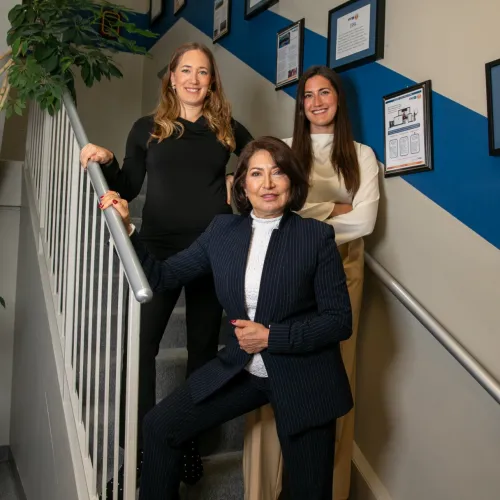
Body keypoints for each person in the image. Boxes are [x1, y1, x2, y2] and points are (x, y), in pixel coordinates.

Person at [98, 136, 353, 500]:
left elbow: (338, 320)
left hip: (305, 375)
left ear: (292, 183)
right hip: (243, 368)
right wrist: (128, 230)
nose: (267, 184)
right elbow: (163, 276)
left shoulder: (315, 236)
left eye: (278, 173)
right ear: (242, 186)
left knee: (308, 491)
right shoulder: (222, 232)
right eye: (256, 174)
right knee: (159, 426)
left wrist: (271, 337)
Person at [80, 42, 253, 498]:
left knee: (201, 352)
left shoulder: (227, 130)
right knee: (142, 349)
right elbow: (129, 184)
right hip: (156, 251)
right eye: (186, 71)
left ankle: (190, 443)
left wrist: (239, 186)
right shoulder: (147, 129)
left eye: (203, 72)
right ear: (171, 77)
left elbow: (264, 165)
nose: (195, 79)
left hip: (210, 251)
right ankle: (140, 450)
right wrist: (107, 160)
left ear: (211, 81)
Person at [243, 66, 380, 500]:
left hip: (344, 269)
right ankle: (263, 490)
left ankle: (327, 490)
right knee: (273, 367)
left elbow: (365, 219)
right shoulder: (282, 150)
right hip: (283, 264)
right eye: (307, 95)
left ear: (339, 100)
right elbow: (269, 210)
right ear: (300, 106)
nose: (316, 101)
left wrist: (307, 213)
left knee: (334, 379)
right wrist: (333, 208)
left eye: (325, 93)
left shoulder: (362, 155)